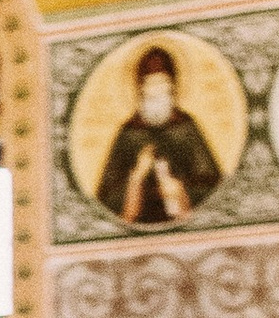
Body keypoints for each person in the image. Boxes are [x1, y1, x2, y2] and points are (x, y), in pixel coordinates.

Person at [94, 44, 224, 223]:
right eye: (151, 84)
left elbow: (212, 188)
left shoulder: (185, 127)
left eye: (162, 83)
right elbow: (106, 198)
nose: (157, 91)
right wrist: (136, 178)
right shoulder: (129, 133)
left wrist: (179, 189)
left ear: (172, 85)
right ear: (141, 88)